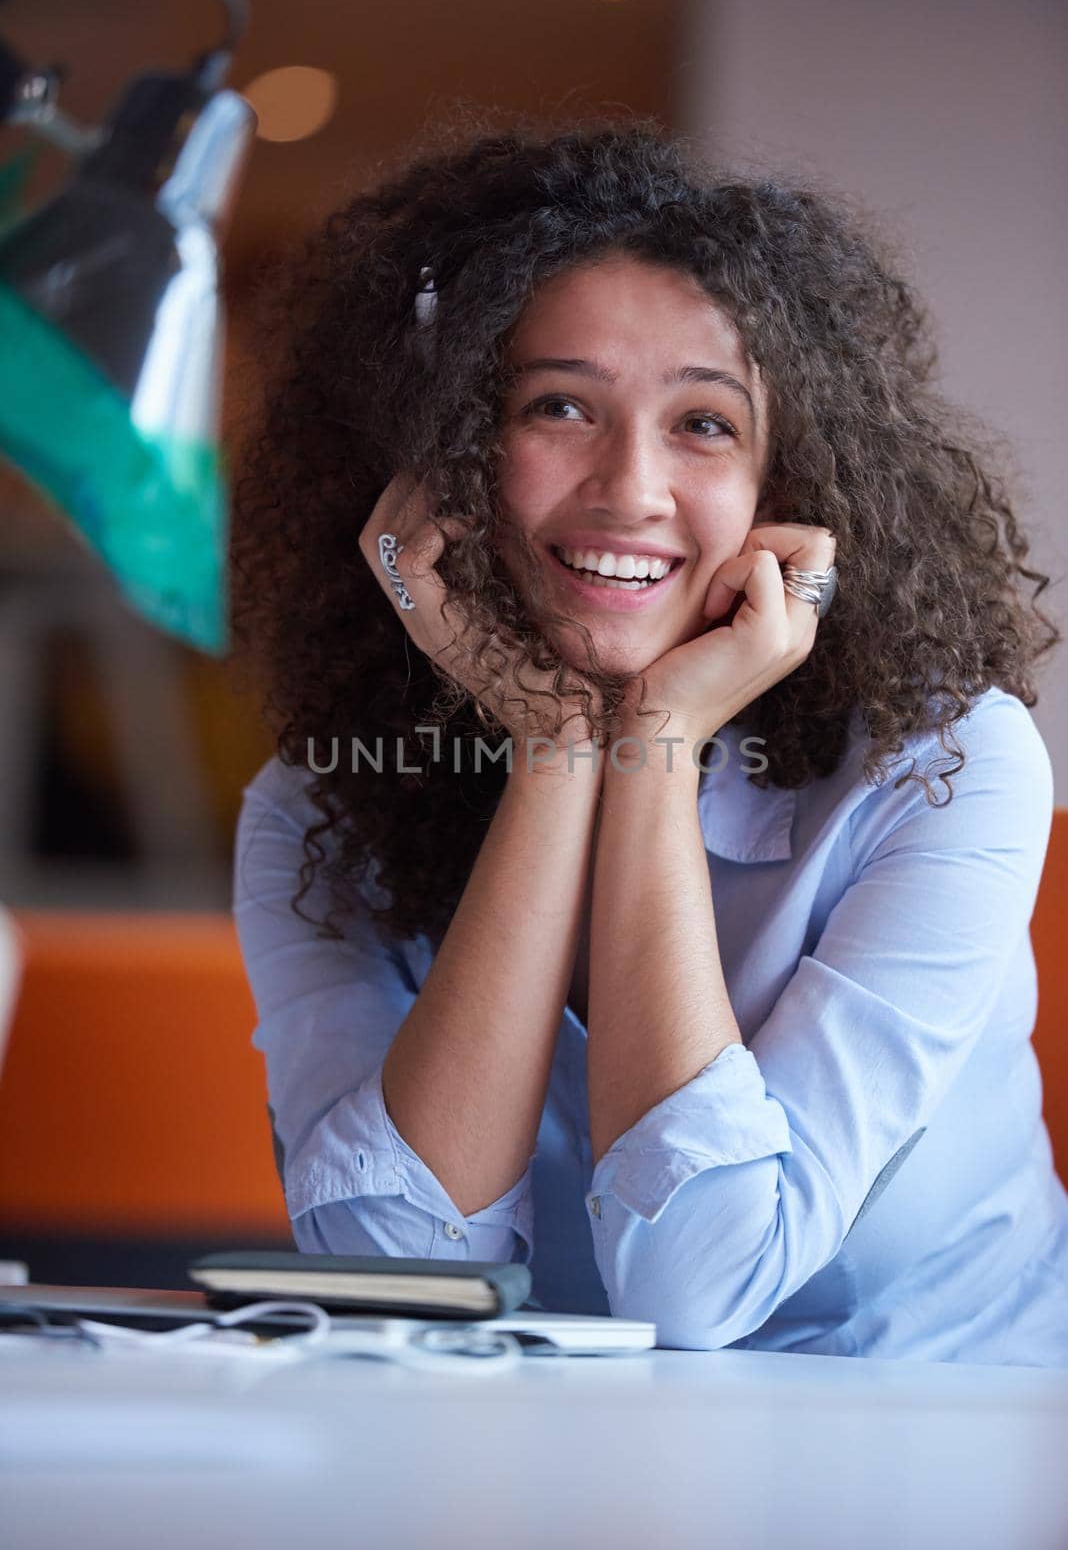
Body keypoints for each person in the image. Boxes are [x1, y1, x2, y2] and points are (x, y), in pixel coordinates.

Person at [229, 117, 1068, 1366]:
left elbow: (701, 1281)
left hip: (929, 1450)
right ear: (442, 461)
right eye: (557, 406)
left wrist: (657, 743)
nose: (631, 489)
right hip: (541, 1472)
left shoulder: (945, 764)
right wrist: (562, 747)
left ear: (793, 484)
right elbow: (394, 1284)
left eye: (705, 424)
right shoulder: (324, 808)